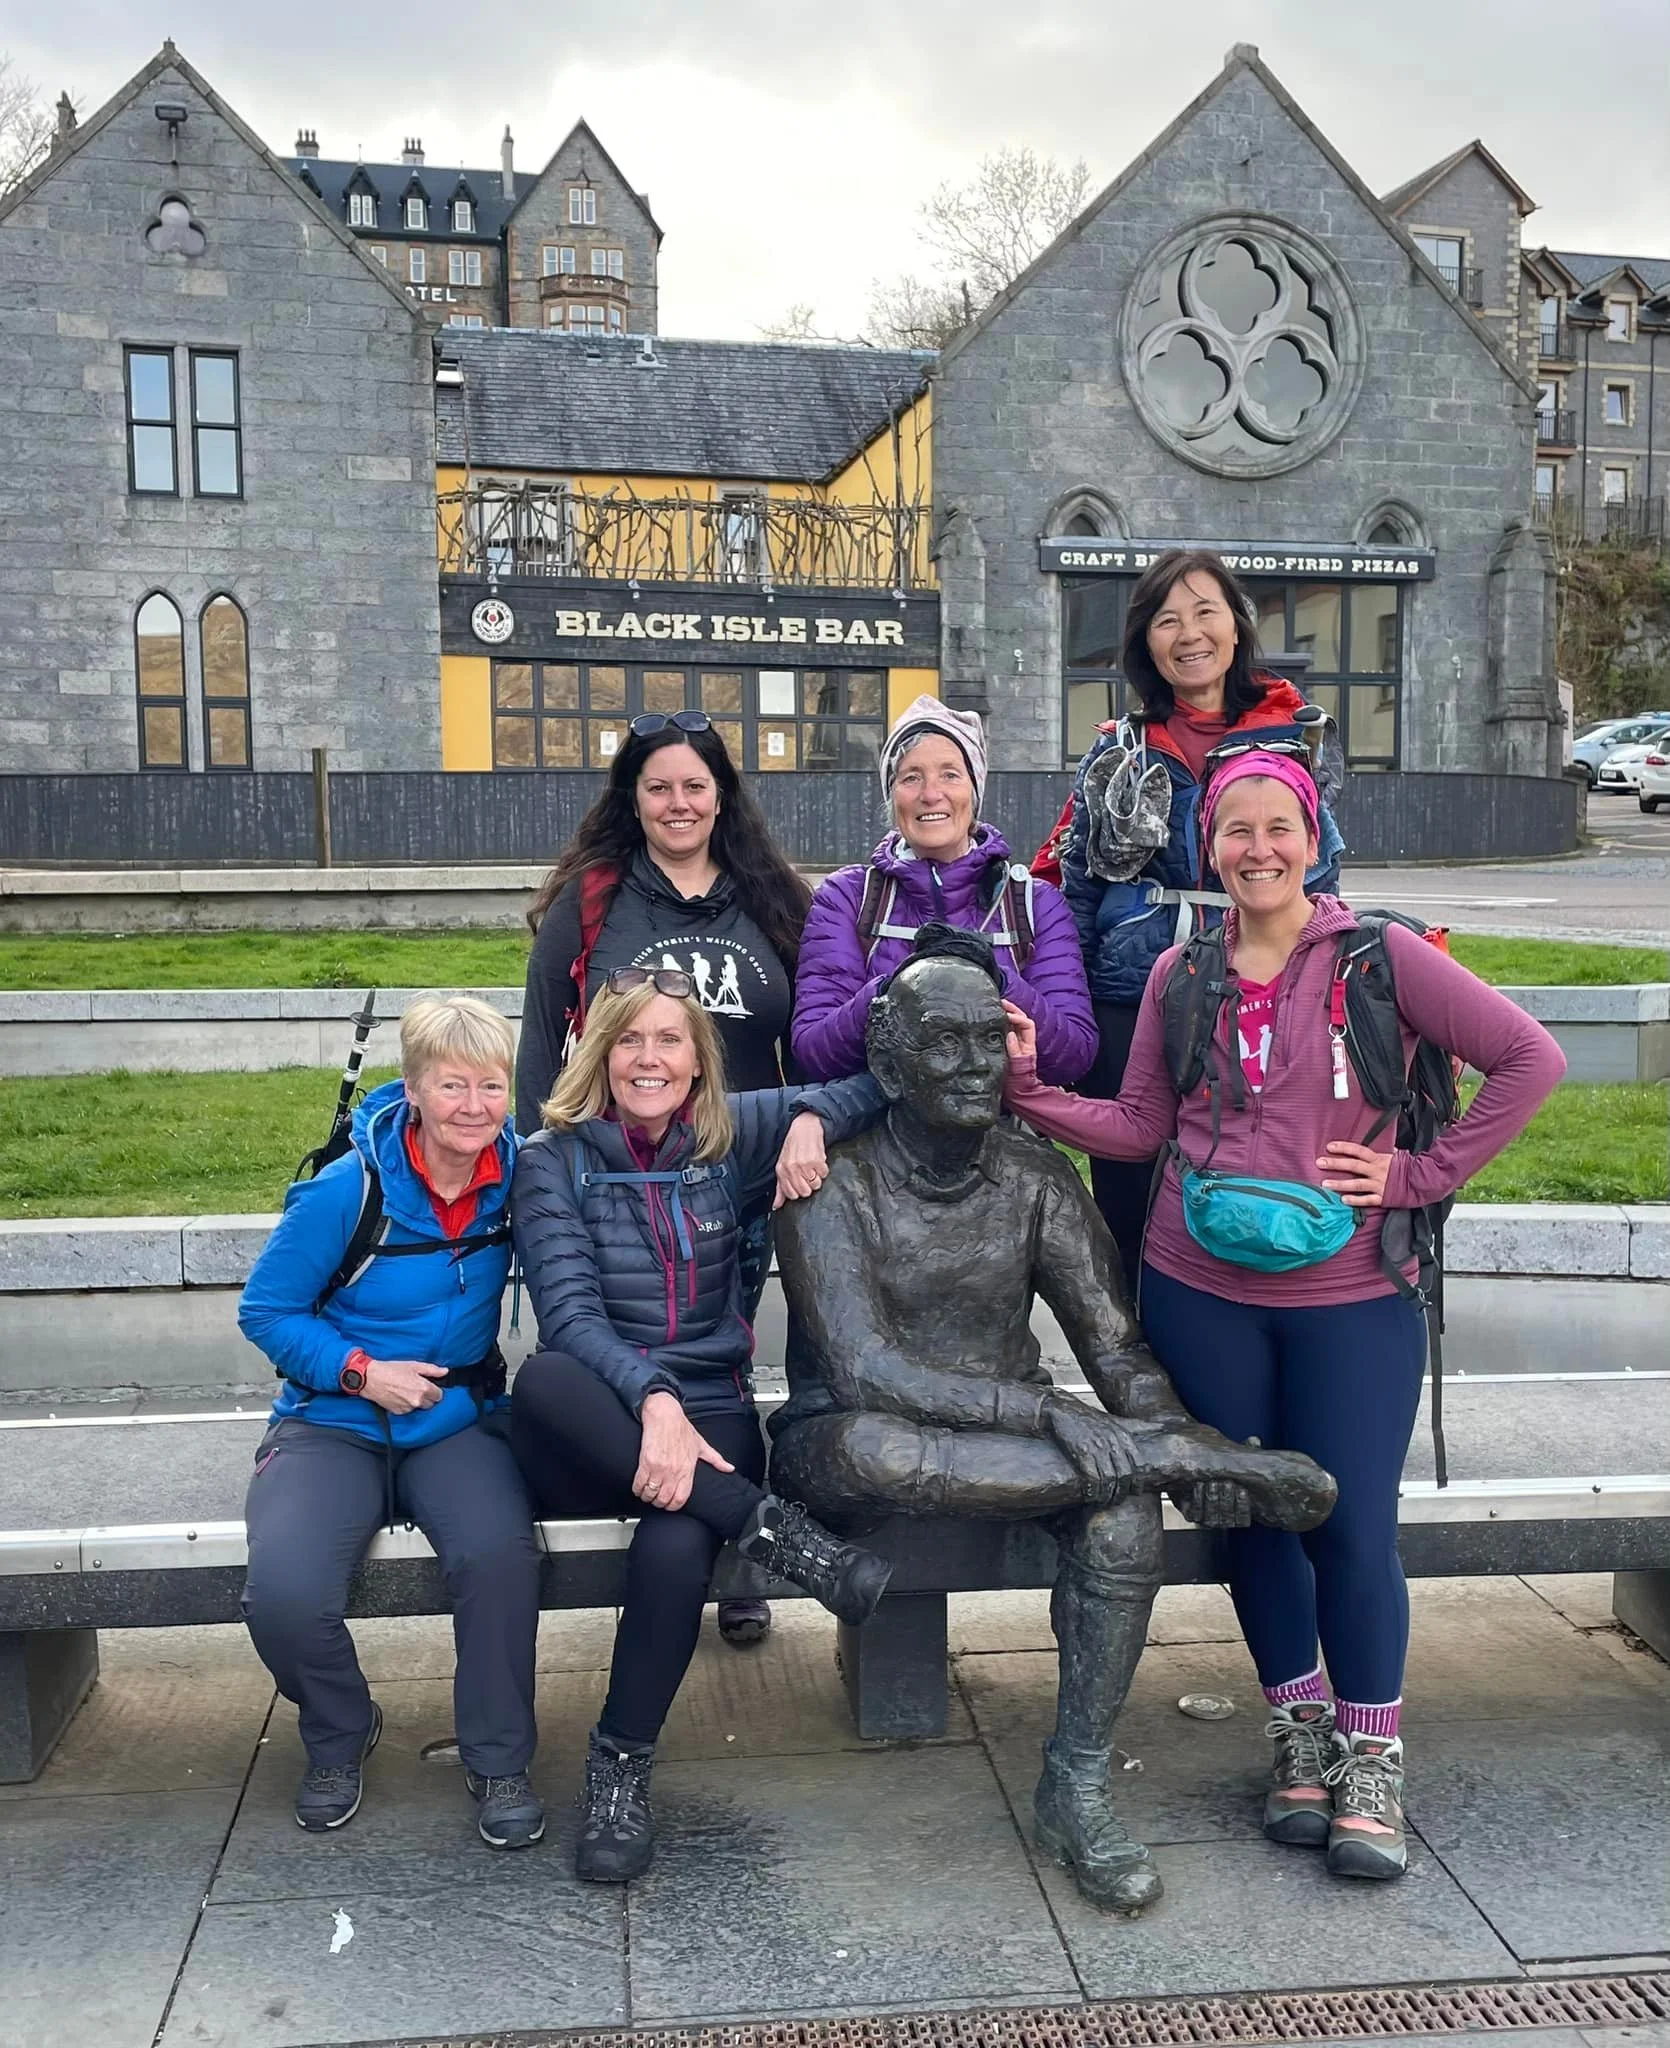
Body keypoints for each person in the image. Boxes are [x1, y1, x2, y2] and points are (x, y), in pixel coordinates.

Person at [1005, 749, 1566, 1882]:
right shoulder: (1180, 969)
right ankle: (1295, 1736)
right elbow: (1138, 1123)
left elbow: (1526, 1057)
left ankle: (1369, 1763)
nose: (1257, 848)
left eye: (1278, 827)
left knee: (1349, 1526)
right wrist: (1025, 1088)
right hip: (1198, 1289)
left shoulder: (1379, 956)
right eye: (1234, 829)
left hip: (1349, 1297)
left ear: (1311, 838)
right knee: (1252, 1514)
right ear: (1207, 844)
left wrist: (1415, 1174)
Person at [770, 925, 1336, 1915]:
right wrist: (1130, 1437)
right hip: (851, 1442)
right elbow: (866, 1371)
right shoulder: (828, 1180)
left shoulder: (1034, 1175)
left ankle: (1072, 1782)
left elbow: (1114, 1349)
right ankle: (1171, 1460)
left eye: (988, 1038)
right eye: (945, 1042)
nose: (975, 1062)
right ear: (891, 1064)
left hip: (1022, 1450)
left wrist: (1142, 1415)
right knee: (878, 1442)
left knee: (1121, 1517)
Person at [509, 968, 894, 1885]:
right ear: (599, 1053)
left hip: (710, 1411)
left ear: (696, 1060)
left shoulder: (728, 1135)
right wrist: (654, 1402)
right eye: (630, 1040)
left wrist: (810, 1119)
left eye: (669, 1040)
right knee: (545, 1381)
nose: (649, 1058)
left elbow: (880, 1079)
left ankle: (620, 1766)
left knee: (679, 1547)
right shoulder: (550, 1158)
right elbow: (568, 1320)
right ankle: (772, 1529)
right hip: (595, 1419)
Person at [516, 709, 812, 1648]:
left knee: (724, 1351)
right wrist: (543, 1171)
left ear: (722, 793)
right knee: (628, 1347)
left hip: (738, 1168)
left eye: (694, 785)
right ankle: (736, 1517)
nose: (678, 802)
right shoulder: (596, 902)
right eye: (658, 787)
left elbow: (815, 1034)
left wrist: (802, 1117)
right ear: (632, 799)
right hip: (616, 1178)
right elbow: (539, 1050)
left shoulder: (772, 899)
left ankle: (729, 1558)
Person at [238, 996, 543, 1851]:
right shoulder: (349, 1188)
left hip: (456, 1421)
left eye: (491, 1086)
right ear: (412, 1088)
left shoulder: (520, 1176)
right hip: (331, 1420)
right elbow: (266, 1312)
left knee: (500, 1557)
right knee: (286, 1596)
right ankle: (339, 1730)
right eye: (452, 1086)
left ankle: (498, 1757)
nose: (475, 1107)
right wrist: (364, 1373)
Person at [1061, 548, 1345, 1293]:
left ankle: (1237, 1333)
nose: (1189, 633)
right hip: (1129, 997)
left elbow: (1321, 873)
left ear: (1236, 625)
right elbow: (1076, 883)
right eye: (1166, 619)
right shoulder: (1116, 750)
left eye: (1205, 611)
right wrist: (1072, 1004)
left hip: (1258, 984)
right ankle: (1138, 1364)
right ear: (1145, 642)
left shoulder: (1293, 736)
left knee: (1247, 1167)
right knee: (1127, 1189)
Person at [791, 695, 1096, 1084]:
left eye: (950, 774)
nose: (931, 794)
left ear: (975, 789)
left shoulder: (1033, 903)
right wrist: (900, 985)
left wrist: (996, 980)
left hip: (999, 1132)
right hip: (873, 1131)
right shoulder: (849, 898)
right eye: (911, 777)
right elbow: (813, 1053)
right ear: (892, 795)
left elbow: (1074, 1056)